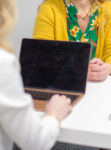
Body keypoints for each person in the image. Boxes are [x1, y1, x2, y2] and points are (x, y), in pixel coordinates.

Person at [0, 0, 72, 150]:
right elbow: (36, 143)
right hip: (56, 89)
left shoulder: (108, 9)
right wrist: (53, 114)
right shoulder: (4, 64)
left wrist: (106, 66)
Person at [33, 0, 111, 82]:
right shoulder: (49, 8)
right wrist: (78, 71)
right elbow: (42, 56)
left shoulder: (110, 9)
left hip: (99, 87)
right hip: (61, 86)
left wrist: (107, 68)